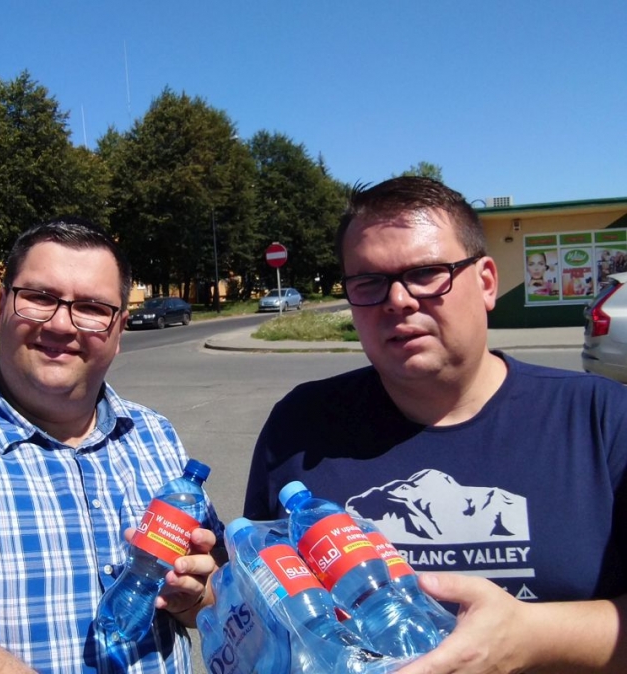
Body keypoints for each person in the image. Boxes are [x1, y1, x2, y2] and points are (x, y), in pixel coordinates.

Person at [243, 177, 626, 673]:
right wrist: (201, 594)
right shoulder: (299, 427)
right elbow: (261, 603)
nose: (398, 300)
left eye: (426, 273)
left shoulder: (602, 418)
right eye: (369, 282)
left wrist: (531, 636)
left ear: (486, 282)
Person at [0, 217, 224, 674]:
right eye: (39, 298)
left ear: (119, 330)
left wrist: (194, 596)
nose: (61, 324)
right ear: (1, 306)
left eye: (91, 307)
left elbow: (213, 594)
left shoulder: (154, 435)